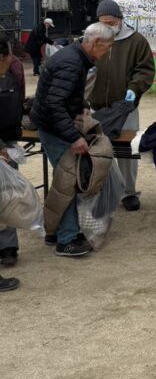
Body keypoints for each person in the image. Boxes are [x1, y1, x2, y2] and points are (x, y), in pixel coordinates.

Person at [30, 22, 114, 257]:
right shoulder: (72, 63)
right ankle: (66, 239)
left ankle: (56, 232)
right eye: (107, 46)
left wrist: (82, 105)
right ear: (95, 43)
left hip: (54, 125)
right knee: (69, 181)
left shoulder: (74, 57)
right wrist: (74, 137)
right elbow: (54, 104)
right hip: (55, 129)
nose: (108, 51)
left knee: (64, 180)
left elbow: (64, 95)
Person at [88, 0, 156, 212]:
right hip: (95, 105)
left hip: (125, 107)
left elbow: (145, 70)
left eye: (111, 22)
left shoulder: (136, 41)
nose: (107, 26)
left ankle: (129, 191)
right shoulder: (91, 39)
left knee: (127, 150)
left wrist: (134, 88)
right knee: (97, 150)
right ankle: (101, 190)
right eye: (103, 22)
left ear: (120, 20)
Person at [0, 36, 23, 289]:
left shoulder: (12, 72)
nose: (12, 59)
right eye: (8, 55)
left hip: (8, 139)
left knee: (7, 198)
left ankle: (7, 247)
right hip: (3, 146)